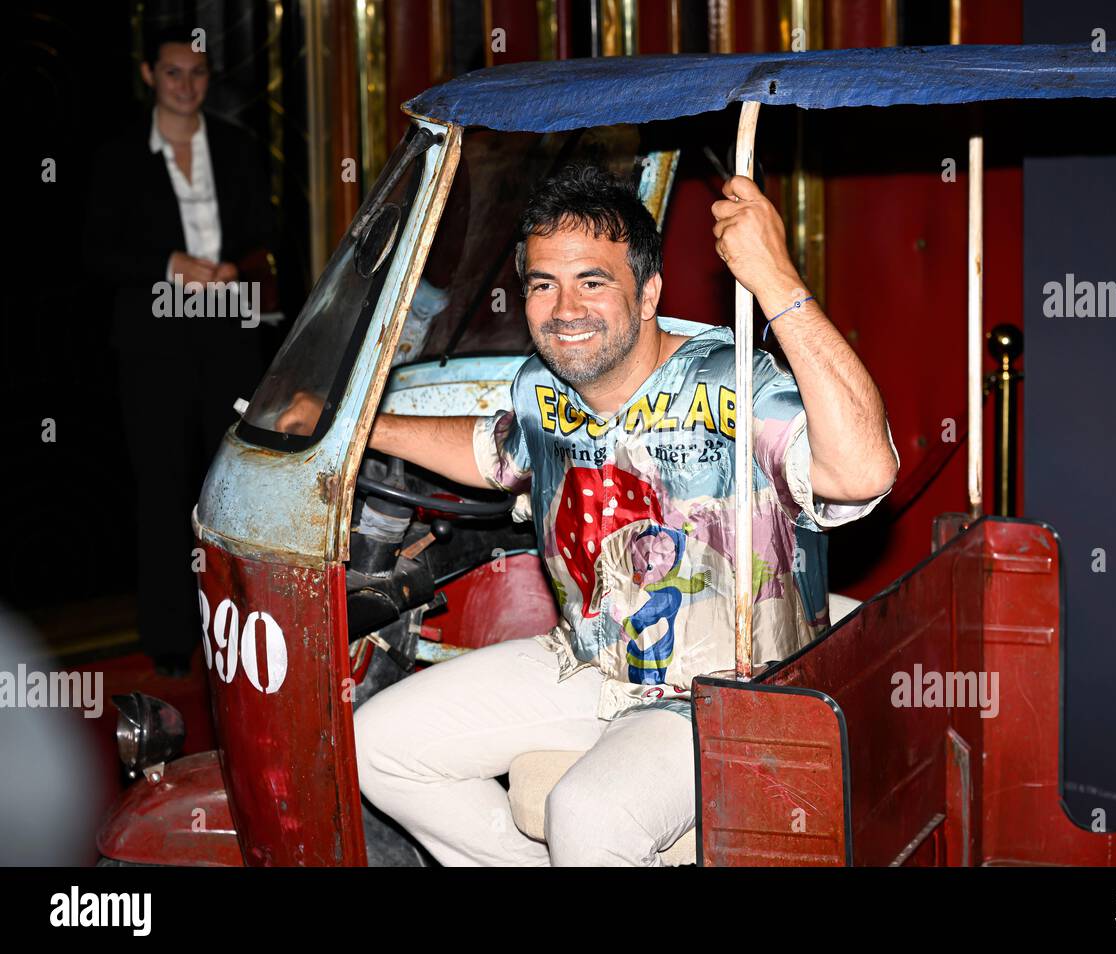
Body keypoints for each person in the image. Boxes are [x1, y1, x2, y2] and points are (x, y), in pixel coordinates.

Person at [281, 164, 899, 866]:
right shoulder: (545, 385)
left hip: (730, 690)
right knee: (379, 746)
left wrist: (777, 283)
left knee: (588, 814)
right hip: (592, 660)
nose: (564, 308)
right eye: (543, 284)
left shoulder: (734, 381)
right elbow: (493, 453)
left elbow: (864, 472)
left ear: (649, 294)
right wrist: (355, 427)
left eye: (592, 282)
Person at [83, 25, 275, 677]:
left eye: (197, 74)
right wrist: (170, 264)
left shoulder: (236, 147)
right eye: (173, 74)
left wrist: (236, 272)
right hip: (154, 343)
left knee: (234, 485)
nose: (187, 86)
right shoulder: (116, 157)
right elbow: (95, 252)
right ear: (148, 76)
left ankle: (244, 626)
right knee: (162, 489)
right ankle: (169, 638)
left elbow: (265, 235)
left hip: (228, 331)